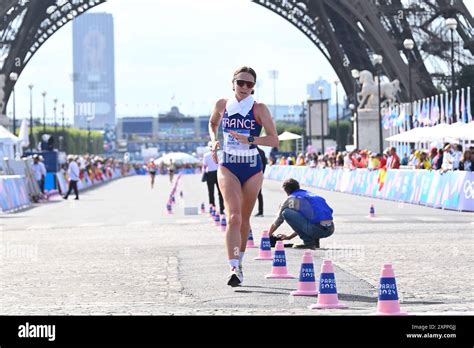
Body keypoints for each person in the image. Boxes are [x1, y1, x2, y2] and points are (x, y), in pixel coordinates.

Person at [208, 66, 279, 287]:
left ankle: (240, 262)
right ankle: (233, 267)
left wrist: (250, 139)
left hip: (251, 166)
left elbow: (274, 140)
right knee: (233, 217)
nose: (245, 88)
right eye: (241, 83)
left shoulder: (259, 109)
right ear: (233, 83)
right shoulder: (222, 104)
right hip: (228, 164)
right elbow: (212, 123)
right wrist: (213, 140)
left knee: (245, 220)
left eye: (250, 84)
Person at [267, 178, 334, 250]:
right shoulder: (311, 195)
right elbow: (304, 224)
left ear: (286, 191)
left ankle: (309, 243)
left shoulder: (291, 199)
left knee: (286, 212)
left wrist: (267, 236)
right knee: (314, 218)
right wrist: (290, 237)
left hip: (316, 230)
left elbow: (278, 221)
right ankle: (315, 242)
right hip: (330, 229)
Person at [202, 145, 224, 214]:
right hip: (218, 173)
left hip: (210, 174)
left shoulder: (206, 155)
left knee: (211, 192)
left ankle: (212, 208)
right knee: (220, 193)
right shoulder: (220, 154)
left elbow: (204, 166)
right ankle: (221, 209)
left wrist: (203, 175)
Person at [255, 146, 267, 217]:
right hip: (259, 174)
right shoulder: (262, 152)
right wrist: (262, 173)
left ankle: (260, 211)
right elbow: (265, 164)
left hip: (252, 174)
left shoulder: (251, 150)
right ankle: (261, 211)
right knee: (259, 194)